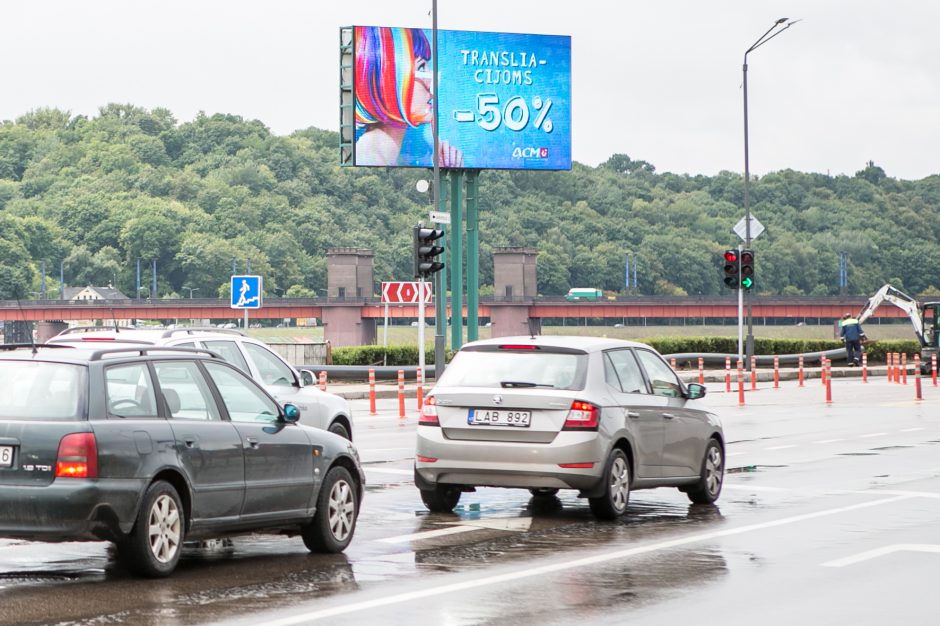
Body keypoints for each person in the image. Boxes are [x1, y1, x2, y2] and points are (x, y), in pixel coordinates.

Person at [354, 26, 463, 168]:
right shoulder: (367, 157)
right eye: (421, 67)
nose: (431, 82)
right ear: (390, 80)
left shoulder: (387, 156)